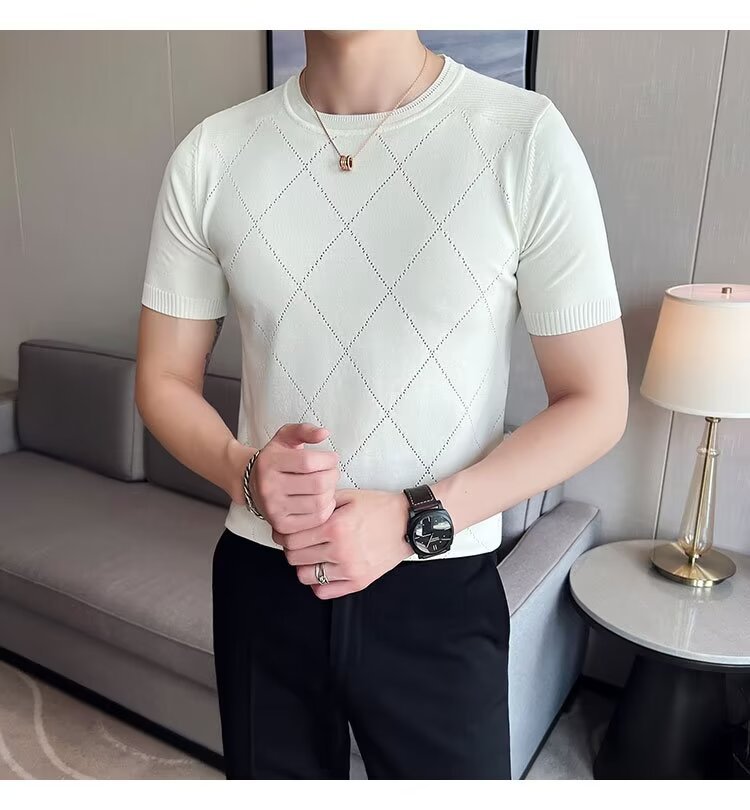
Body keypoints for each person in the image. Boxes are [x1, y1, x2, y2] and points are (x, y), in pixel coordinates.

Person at [135, 30, 628, 780]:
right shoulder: (211, 154)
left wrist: (412, 518)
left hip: (439, 581)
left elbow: (597, 402)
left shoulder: (524, 138)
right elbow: (163, 379)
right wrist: (244, 473)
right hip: (265, 574)